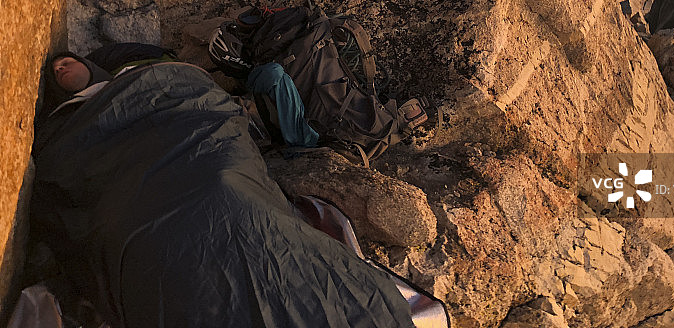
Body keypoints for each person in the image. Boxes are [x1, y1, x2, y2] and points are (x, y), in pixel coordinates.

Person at [32, 46, 416, 328]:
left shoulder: (165, 78)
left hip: (205, 154)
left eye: (69, 60)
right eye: (59, 72)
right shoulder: (72, 125)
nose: (62, 65)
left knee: (229, 190)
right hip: (173, 173)